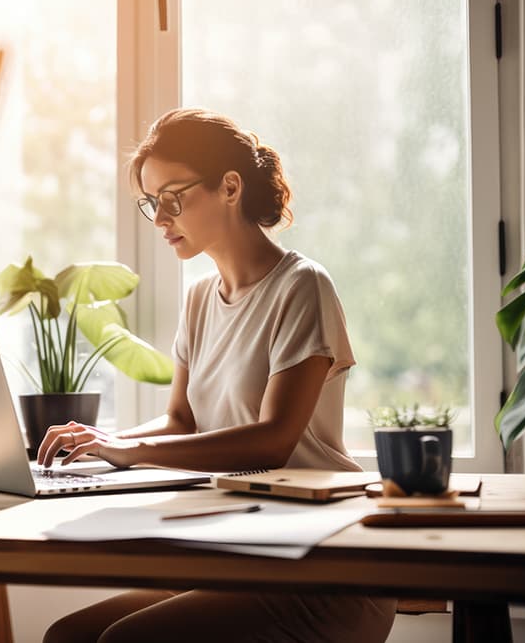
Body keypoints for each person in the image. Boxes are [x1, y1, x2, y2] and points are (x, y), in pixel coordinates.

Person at [37, 108, 396, 643]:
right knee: (66, 637)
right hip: (245, 551)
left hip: (322, 564)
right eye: (151, 203)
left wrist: (128, 452)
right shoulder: (201, 298)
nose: (160, 219)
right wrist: (101, 442)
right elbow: (182, 420)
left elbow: (273, 441)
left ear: (230, 187)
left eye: (173, 198)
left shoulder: (302, 287)